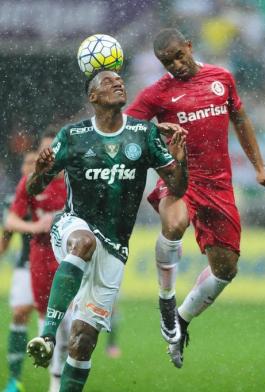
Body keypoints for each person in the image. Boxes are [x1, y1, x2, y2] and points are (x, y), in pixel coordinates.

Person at [124, 28, 265, 368]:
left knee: (225, 270)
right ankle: (166, 300)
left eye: (179, 55)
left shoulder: (221, 79)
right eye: (168, 62)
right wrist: (157, 132)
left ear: (190, 46)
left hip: (218, 185)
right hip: (179, 177)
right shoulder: (157, 94)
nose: (176, 65)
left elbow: (240, 118)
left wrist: (260, 167)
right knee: (174, 223)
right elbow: (126, 127)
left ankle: (181, 318)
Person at [25, 69, 188, 391]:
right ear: (93, 97)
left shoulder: (144, 134)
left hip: (115, 247)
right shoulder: (72, 136)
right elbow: (34, 188)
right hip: (73, 225)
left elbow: (178, 187)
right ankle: (46, 335)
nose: (117, 82)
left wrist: (180, 160)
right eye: (107, 81)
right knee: (83, 242)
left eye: (120, 79)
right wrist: (41, 173)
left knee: (83, 341)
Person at [6, 133, 71, 392]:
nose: (50, 154)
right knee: (46, 316)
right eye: (46, 149)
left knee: (72, 320)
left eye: (56, 149)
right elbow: (10, 221)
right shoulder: (31, 183)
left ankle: (61, 375)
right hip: (40, 258)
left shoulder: (74, 181)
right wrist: (36, 225)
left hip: (71, 258)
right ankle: (53, 379)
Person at [1, 151, 37, 392]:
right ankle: (15, 379)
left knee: (67, 325)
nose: (30, 167)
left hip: (58, 266)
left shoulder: (58, 193)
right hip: (27, 264)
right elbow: (6, 235)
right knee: (19, 312)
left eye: (35, 162)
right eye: (27, 162)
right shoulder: (15, 199)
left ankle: (61, 377)